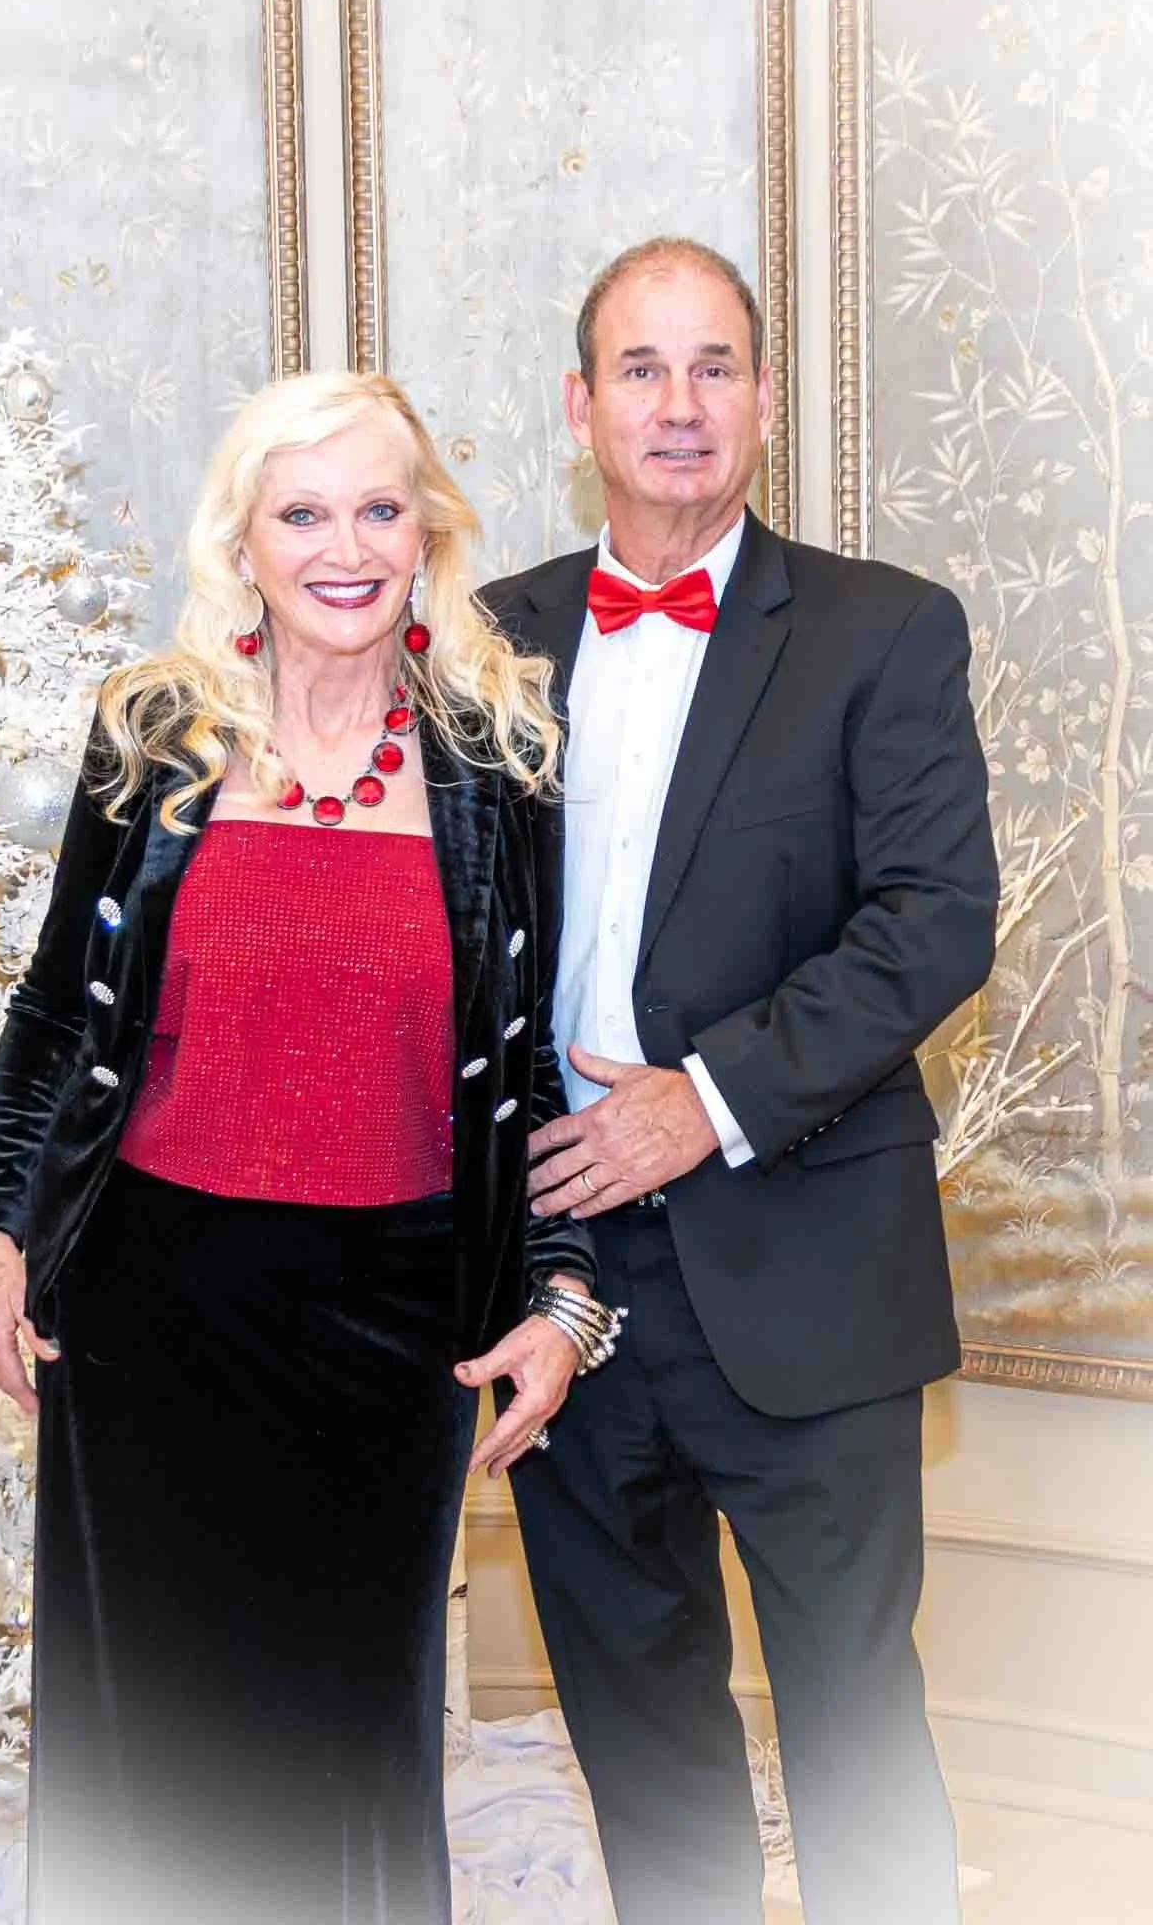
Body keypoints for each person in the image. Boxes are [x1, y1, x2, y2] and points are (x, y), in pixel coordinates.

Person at [0, 370, 611, 1925]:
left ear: (427, 533)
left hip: (393, 1333)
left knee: (347, 1754)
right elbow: (59, 1009)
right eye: (302, 510)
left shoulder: (499, 760)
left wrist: (559, 1291)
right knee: (156, 1752)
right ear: (244, 539)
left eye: (381, 508)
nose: (344, 544)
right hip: (147, 1309)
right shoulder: (153, 737)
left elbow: (530, 1054)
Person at [486, 239, 998, 1925]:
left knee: (854, 1740)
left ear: (765, 402)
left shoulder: (885, 630)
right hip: (564, 1277)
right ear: (583, 407)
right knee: (639, 1737)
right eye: (643, 368)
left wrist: (695, 1102)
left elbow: (936, 924)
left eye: (716, 367)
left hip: (803, 1271)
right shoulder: (491, 641)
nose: (680, 404)